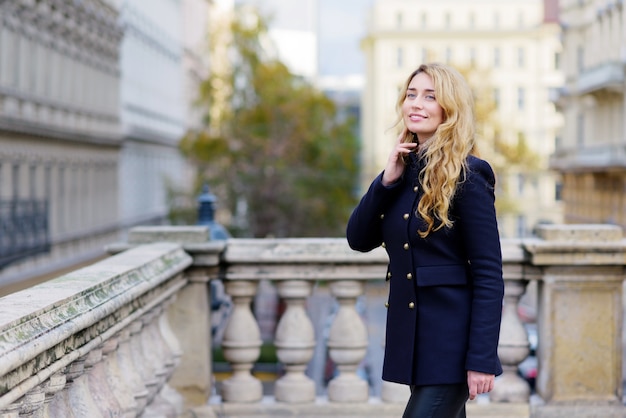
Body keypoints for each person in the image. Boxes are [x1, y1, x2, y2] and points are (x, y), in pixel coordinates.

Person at [346, 63, 504, 418]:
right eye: (411, 94)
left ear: (449, 109)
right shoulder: (402, 170)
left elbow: (489, 274)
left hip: (452, 347)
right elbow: (358, 238)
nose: (416, 103)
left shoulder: (469, 175)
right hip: (416, 344)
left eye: (430, 96)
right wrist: (385, 181)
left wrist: (481, 358)